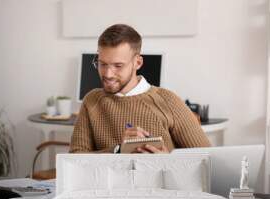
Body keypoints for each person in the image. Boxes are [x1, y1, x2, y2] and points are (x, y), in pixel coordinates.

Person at [69, 24, 210, 154]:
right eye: (102, 64)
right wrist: (118, 151)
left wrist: (168, 161)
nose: (107, 74)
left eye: (118, 66)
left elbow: (207, 159)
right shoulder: (91, 101)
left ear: (138, 62)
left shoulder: (168, 101)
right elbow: (74, 159)